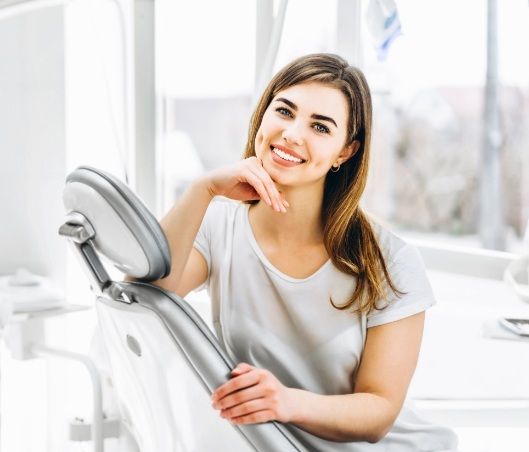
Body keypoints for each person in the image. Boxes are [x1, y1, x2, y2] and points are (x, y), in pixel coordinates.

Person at [152, 53, 459, 451]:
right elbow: (150, 293)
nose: (293, 134)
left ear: (345, 152)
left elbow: (379, 412)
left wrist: (286, 402)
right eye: (284, 111)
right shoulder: (217, 228)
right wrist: (202, 189)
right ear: (263, 116)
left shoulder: (390, 262)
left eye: (320, 126)